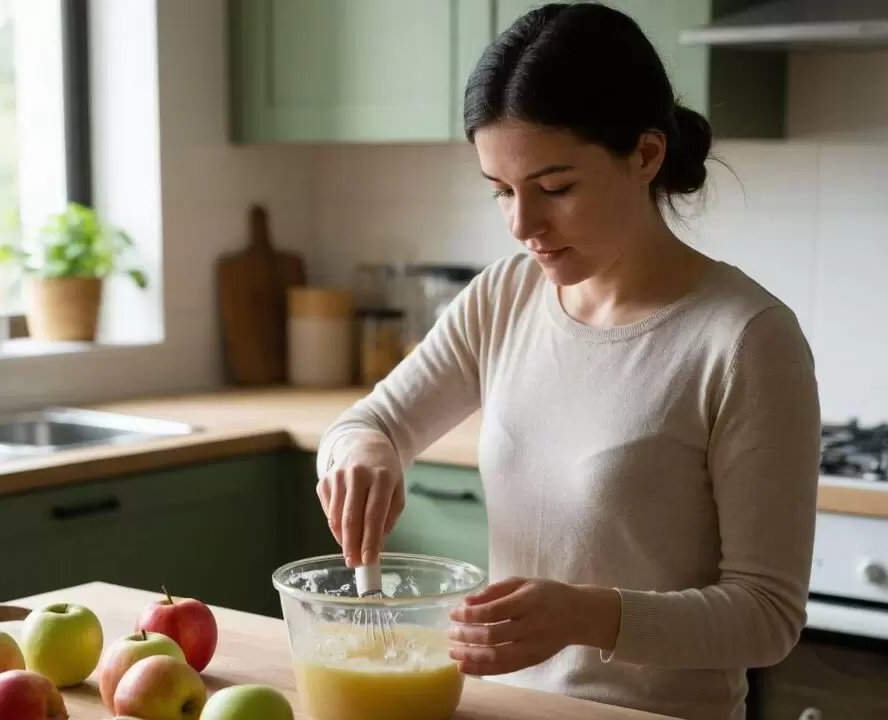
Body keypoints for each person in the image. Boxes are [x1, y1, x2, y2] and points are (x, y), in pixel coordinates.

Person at [314, 3, 821, 719]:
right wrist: (362, 451)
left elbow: (768, 617)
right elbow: (374, 421)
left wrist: (592, 617)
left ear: (646, 155)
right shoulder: (504, 296)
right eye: (501, 192)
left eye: (555, 189)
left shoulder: (745, 340)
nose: (524, 226)